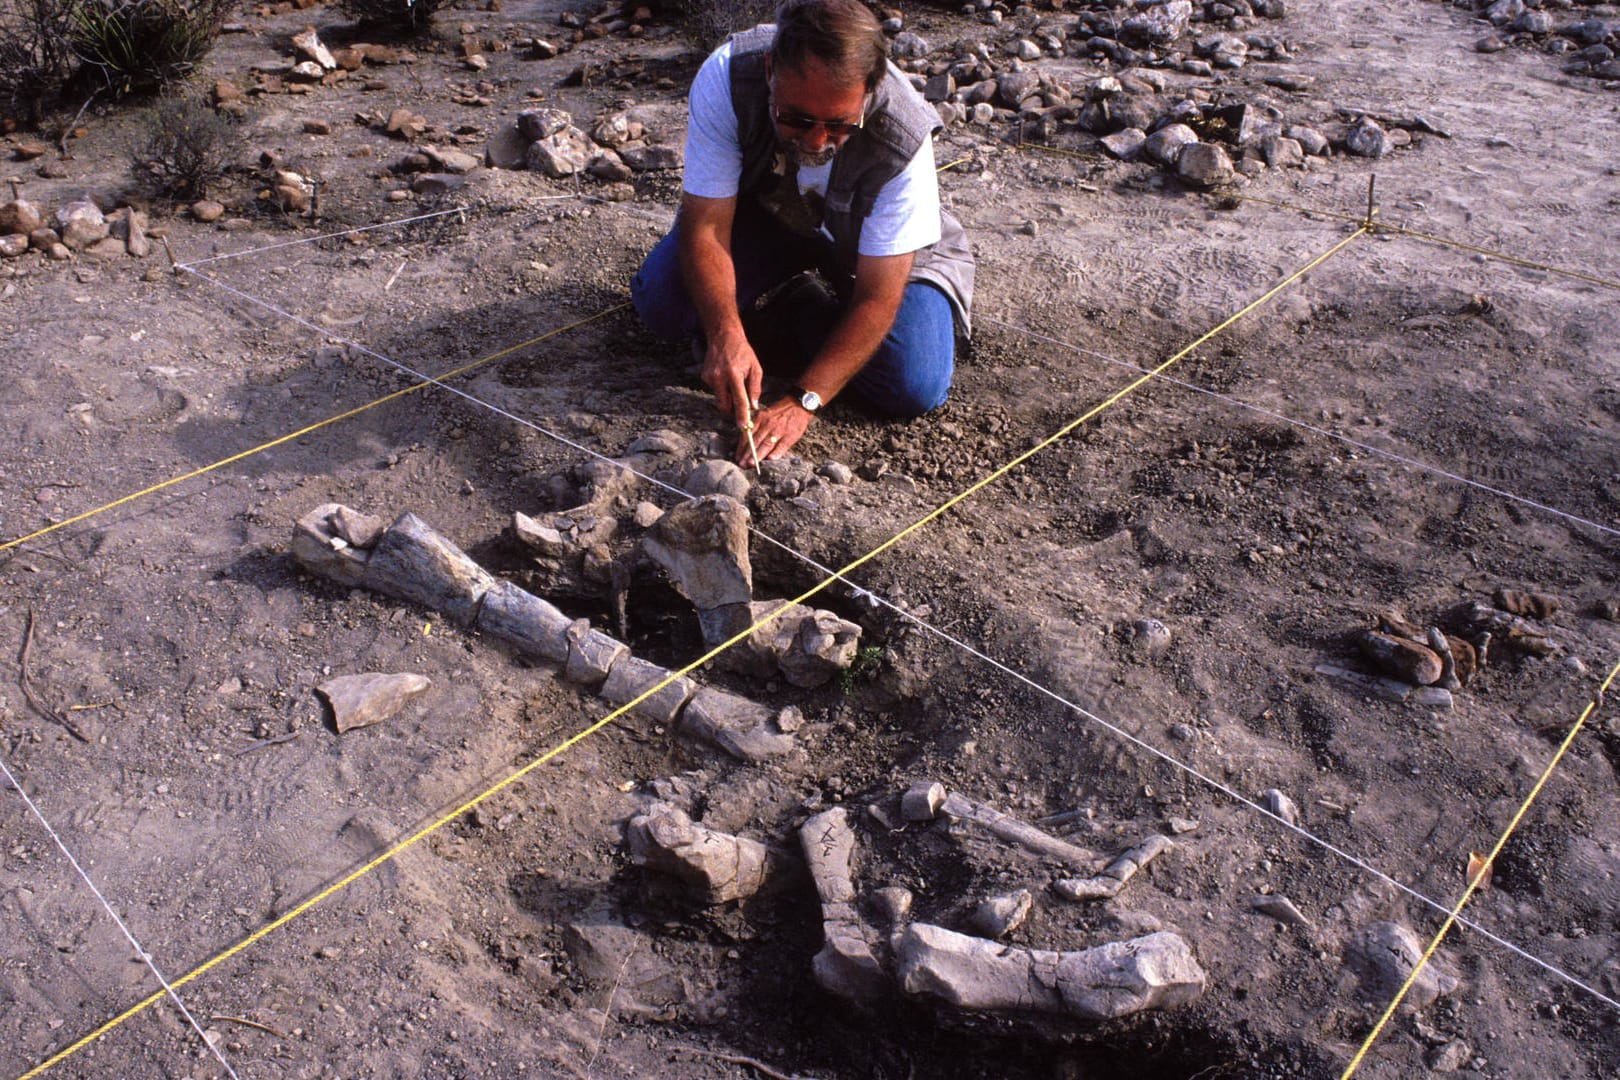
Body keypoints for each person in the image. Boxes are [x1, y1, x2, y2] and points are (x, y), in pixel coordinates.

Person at [630, 0, 974, 467]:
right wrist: (725, 333)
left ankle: (799, 313)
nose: (815, 142)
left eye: (837, 125)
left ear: (868, 93)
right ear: (771, 70)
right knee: (664, 304)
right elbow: (707, 226)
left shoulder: (904, 134)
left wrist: (804, 400)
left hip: (870, 246)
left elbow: (877, 296)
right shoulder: (729, 77)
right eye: (795, 118)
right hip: (773, 215)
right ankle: (779, 309)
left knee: (912, 383)